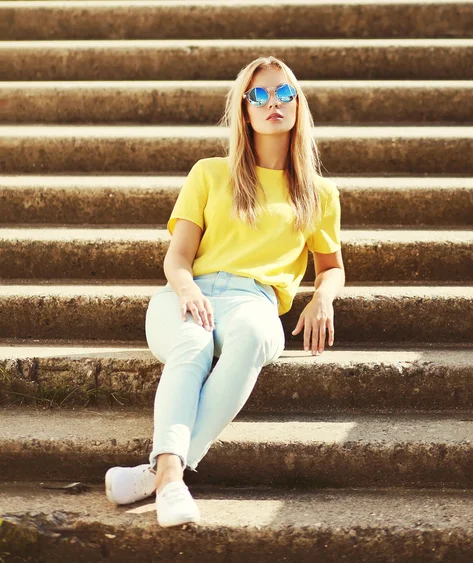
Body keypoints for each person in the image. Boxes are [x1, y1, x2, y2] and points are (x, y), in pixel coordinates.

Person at [104, 56, 345, 527]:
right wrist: (187, 289)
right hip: (187, 295)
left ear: (298, 105)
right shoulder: (210, 174)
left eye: (283, 93)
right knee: (192, 342)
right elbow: (177, 258)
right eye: (259, 95)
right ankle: (171, 477)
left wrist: (322, 298)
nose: (272, 102)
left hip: (254, 303)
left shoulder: (318, 194)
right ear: (244, 109)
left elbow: (332, 267)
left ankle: (160, 475)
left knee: (255, 336)